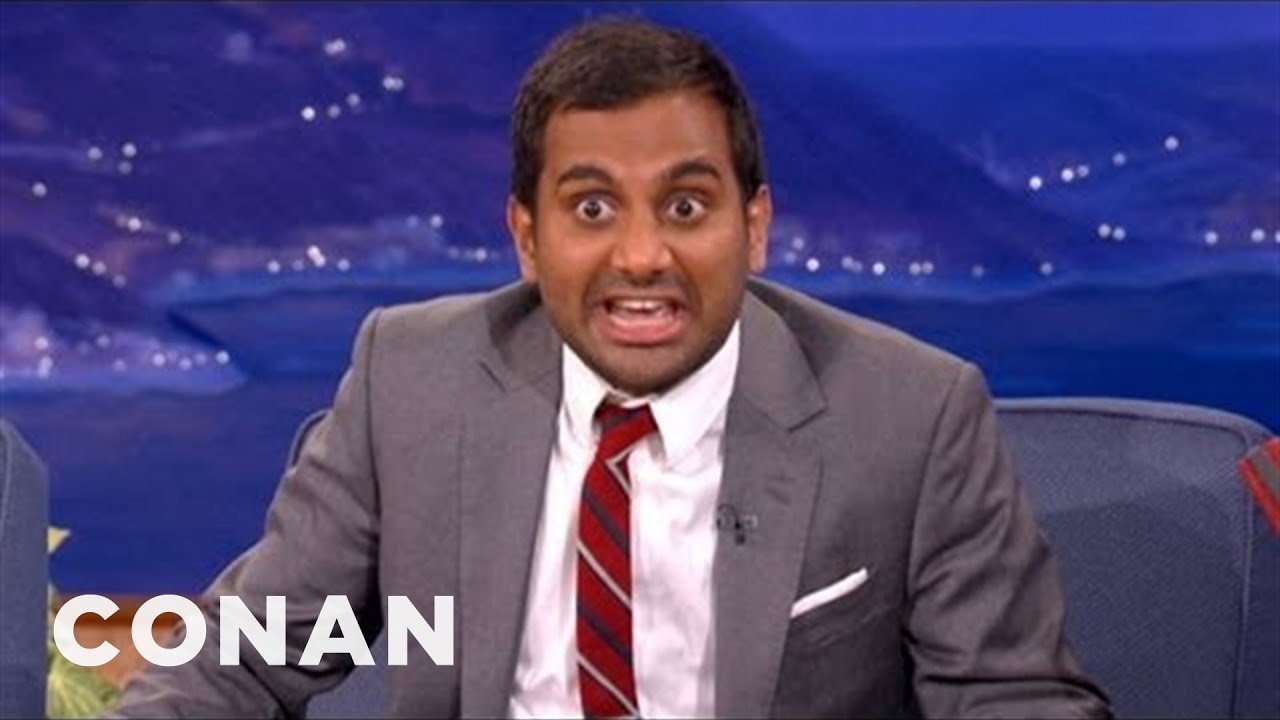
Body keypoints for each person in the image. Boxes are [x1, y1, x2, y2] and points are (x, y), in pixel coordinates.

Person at [112, 18, 1110, 719]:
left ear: (755, 226)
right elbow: (241, 661)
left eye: (686, 206)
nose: (641, 256)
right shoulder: (410, 383)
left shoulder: (909, 416)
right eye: (591, 209)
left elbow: (1013, 700)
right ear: (525, 237)